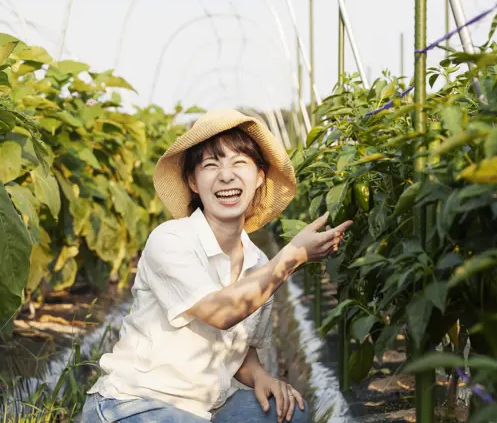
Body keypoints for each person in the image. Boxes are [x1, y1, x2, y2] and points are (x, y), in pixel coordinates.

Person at [82, 109, 352, 423]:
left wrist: (262, 377)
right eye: (211, 165)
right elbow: (221, 313)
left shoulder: (257, 262)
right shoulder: (170, 240)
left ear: (259, 176)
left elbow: (240, 351)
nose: (226, 175)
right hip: (134, 405)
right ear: (193, 181)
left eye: (239, 163)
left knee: (291, 413)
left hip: (205, 410)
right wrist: (292, 257)